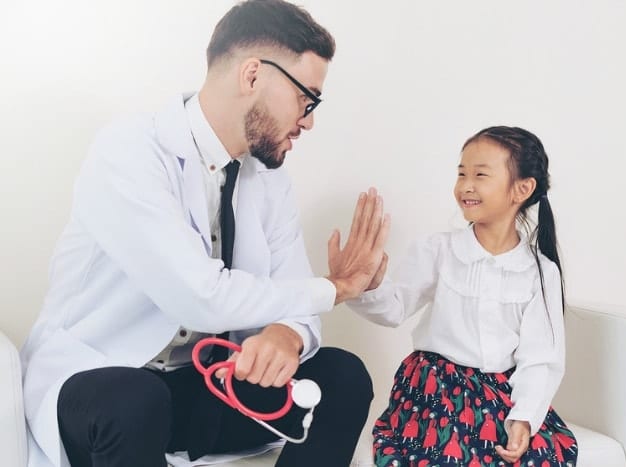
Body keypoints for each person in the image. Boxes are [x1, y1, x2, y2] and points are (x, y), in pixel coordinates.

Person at [19, 1, 390, 466]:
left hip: (202, 387)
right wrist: (336, 288)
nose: (309, 120)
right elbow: (199, 296)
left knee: (344, 375)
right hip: (104, 384)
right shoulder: (131, 151)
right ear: (253, 75)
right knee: (137, 400)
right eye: (305, 98)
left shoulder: (269, 179)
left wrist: (285, 335)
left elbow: (295, 293)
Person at [347, 126, 578, 466]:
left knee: (539, 454)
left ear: (522, 189)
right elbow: (394, 307)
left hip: (499, 393)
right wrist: (365, 283)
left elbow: (541, 358)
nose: (466, 185)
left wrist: (524, 417)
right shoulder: (438, 250)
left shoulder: (540, 272)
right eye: (461, 173)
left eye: (480, 175)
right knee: (445, 454)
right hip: (434, 387)